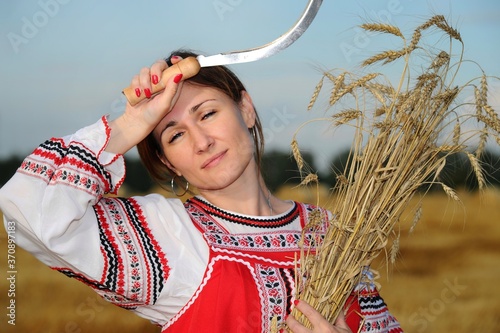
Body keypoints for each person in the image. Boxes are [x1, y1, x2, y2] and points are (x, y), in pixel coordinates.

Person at [0, 50, 403, 333]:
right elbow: (28, 208)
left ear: (246, 108)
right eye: (175, 135)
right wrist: (129, 124)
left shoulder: (333, 233)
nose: (202, 142)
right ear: (170, 162)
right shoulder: (170, 235)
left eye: (208, 113)